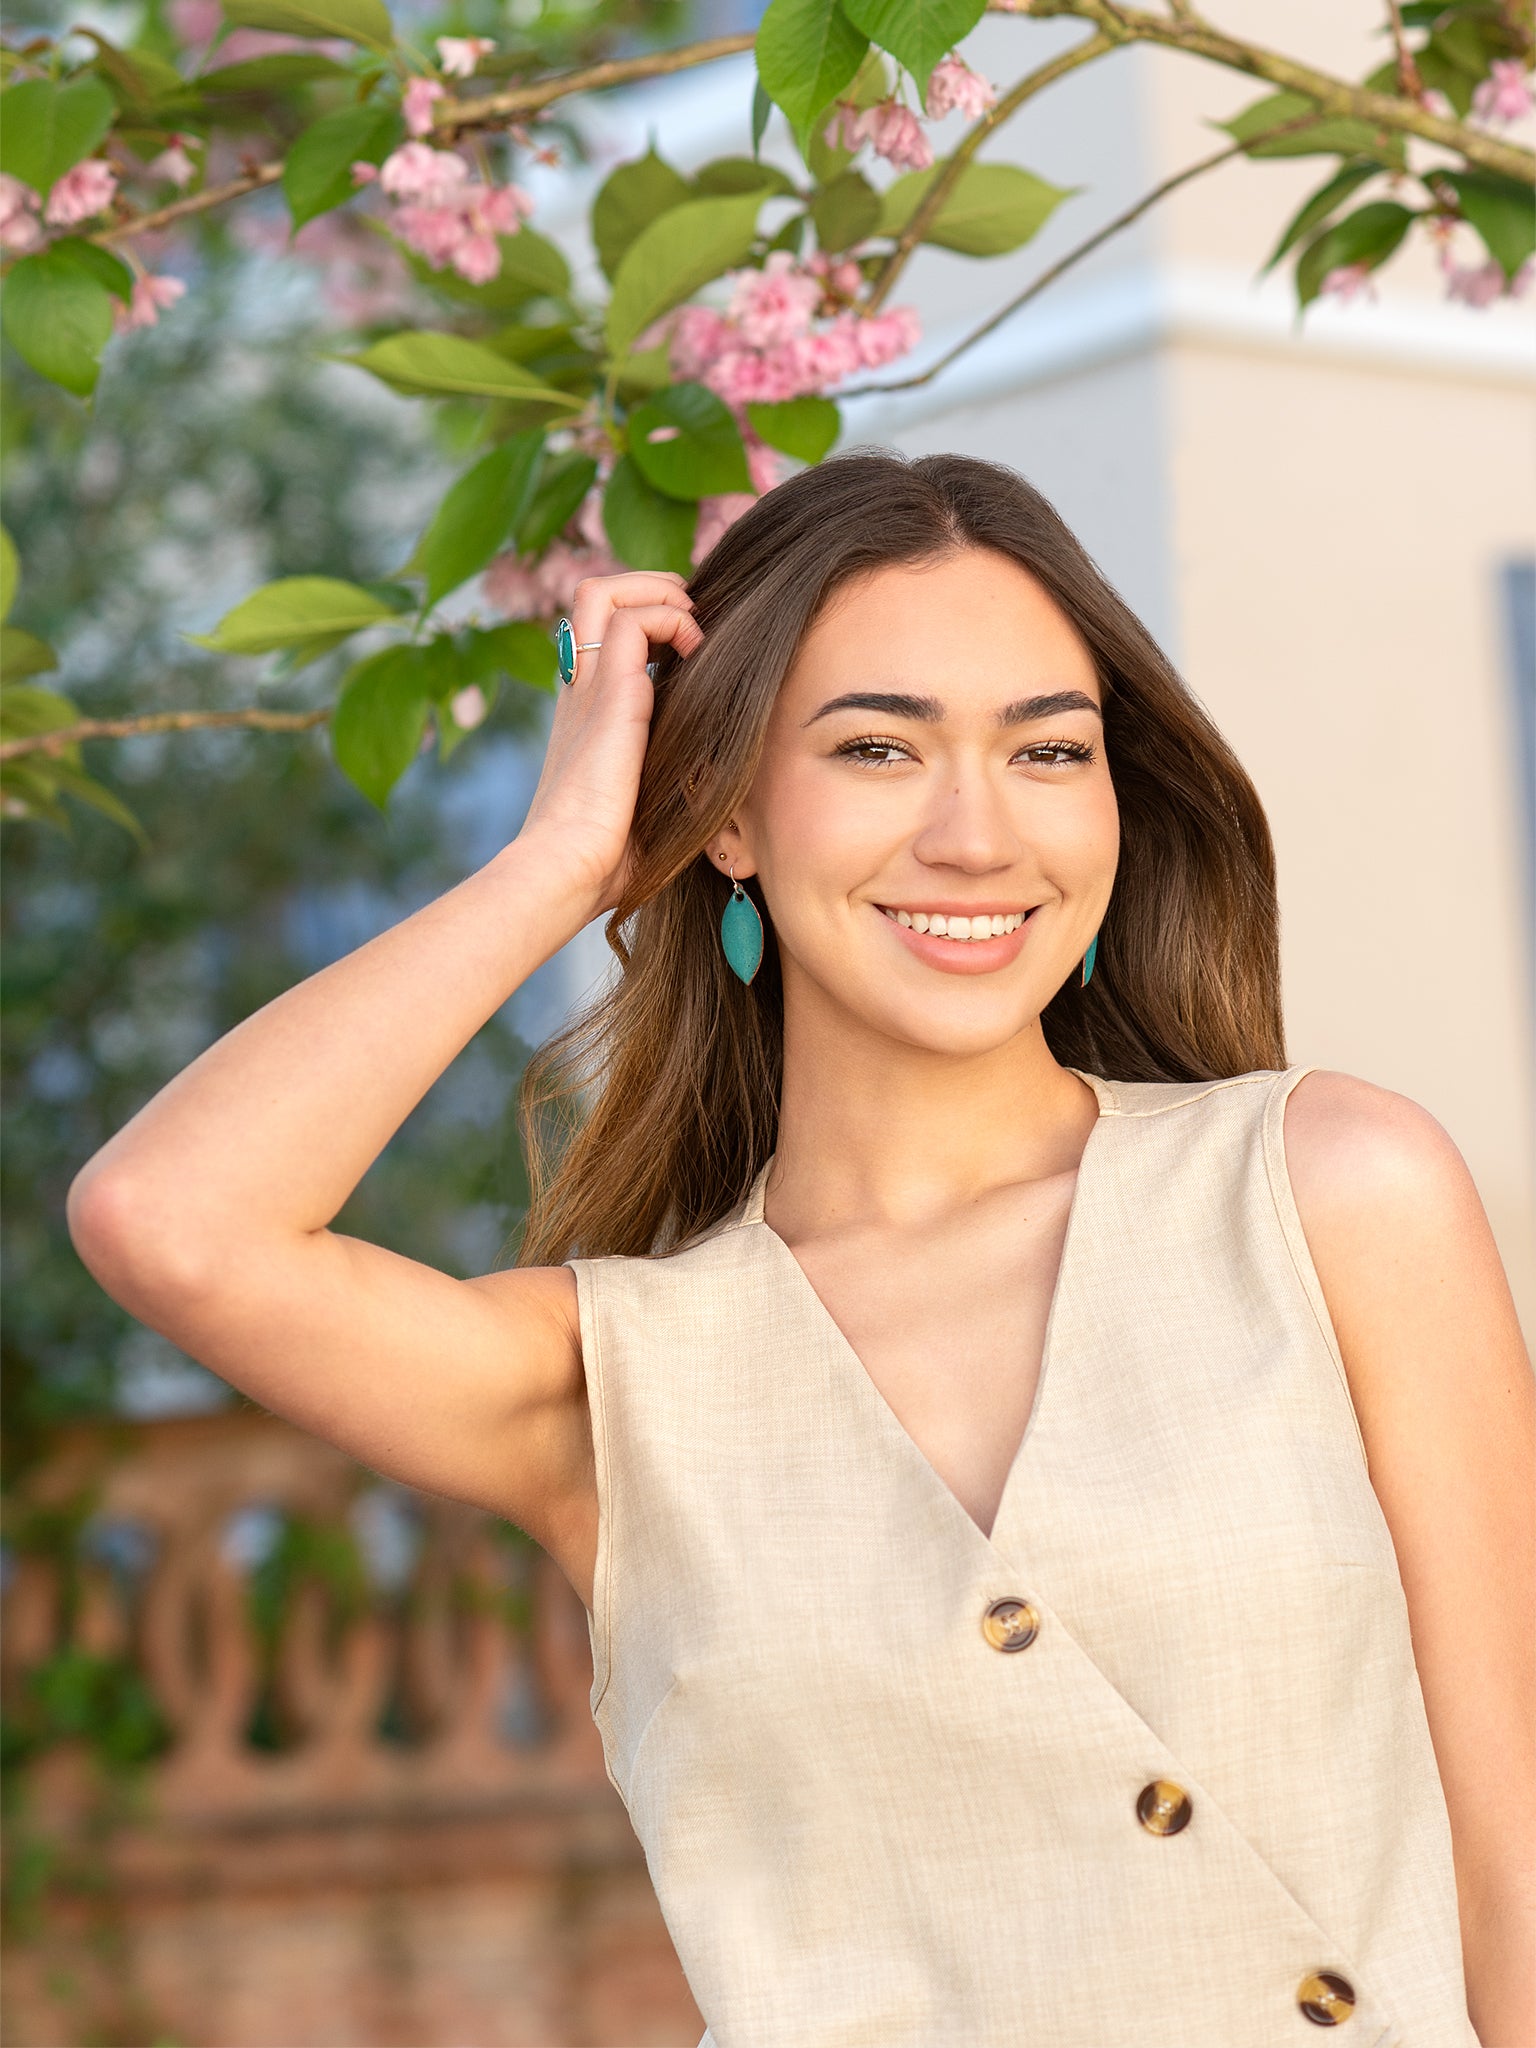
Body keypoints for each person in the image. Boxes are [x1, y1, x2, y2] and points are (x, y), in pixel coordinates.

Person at [68, 449, 1533, 2048]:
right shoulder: (613, 1381)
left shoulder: (1331, 1195)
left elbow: (1514, 1854)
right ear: (731, 821)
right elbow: (172, 1226)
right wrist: (561, 862)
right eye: (876, 747)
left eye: (1050, 750)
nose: (978, 834)